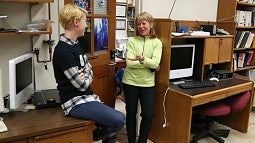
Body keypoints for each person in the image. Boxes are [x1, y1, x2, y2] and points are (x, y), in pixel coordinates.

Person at [52, 4, 125, 143]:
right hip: (74, 103)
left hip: (87, 98)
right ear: (76, 22)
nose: (86, 25)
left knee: (112, 128)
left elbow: (89, 69)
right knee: (119, 120)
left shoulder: (76, 44)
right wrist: (86, 74)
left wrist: (85, 73)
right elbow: (82, 85)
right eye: (85, 21)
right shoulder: (63, 51)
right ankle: (90, 138)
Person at [122, 12, 163, 143]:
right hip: (130, 82)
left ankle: (142, 141)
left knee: (147, 115)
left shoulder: (157, 43)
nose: (141, 26)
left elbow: (156, 63)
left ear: (151, 24)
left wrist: (142, 59)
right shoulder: (132, 41)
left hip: (147, 84)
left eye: (144, 23)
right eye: (138, 24)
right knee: (131, 114)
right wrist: (149, 64)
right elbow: (129, 63)